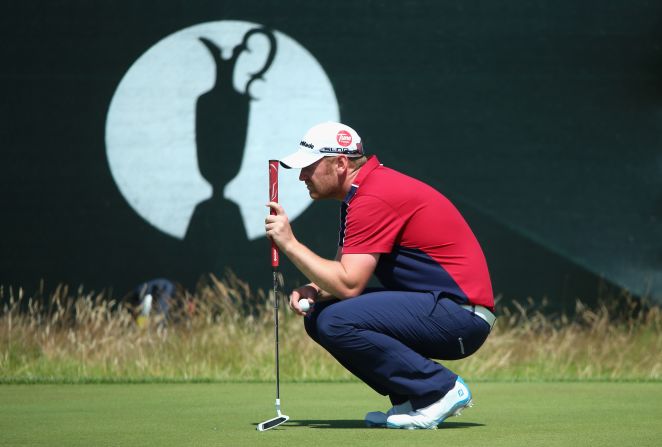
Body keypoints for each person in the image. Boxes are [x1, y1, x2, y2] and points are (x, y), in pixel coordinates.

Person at [264, 121, 495, 430]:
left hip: (461, 317)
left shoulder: (374, 197)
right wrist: (315, 289)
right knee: (320, 314)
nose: (302, 175)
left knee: (337, 320)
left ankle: (440, 389)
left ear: (341, 163)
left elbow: (349, 284)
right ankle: (410, 399)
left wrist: (289, 244)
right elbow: (344, 269)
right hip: (443, 308)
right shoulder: (366, 191)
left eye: (309, 166)